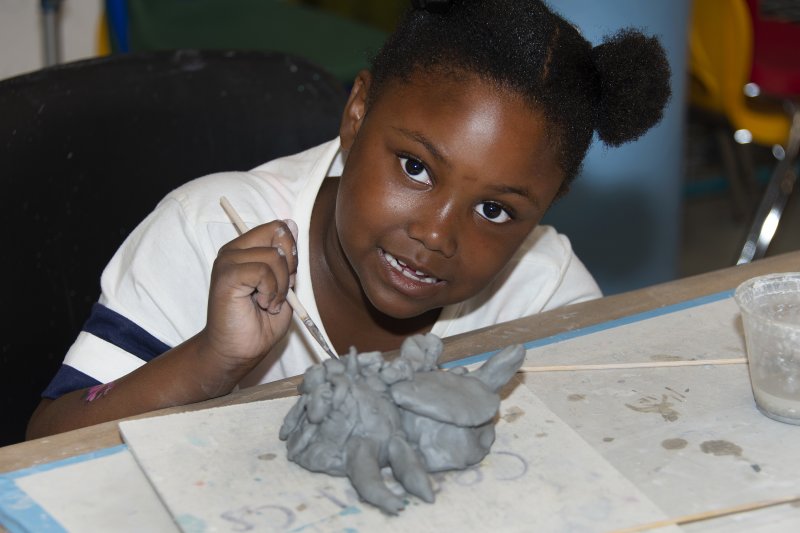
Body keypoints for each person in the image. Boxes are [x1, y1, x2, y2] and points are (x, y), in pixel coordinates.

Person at [27, 0, 671, 438]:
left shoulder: (545, 297)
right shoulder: (211, 232)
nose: (435, 235)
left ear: (544, 209)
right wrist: (211, 361)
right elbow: (44, 444)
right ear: (357, 114)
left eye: (495, 209)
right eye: (416, 167)